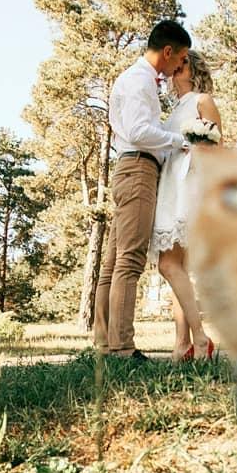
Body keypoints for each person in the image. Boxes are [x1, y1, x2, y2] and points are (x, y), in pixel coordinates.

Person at [93, 20, 191, 360]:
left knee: (113, 262)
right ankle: (122, 348)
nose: (181, 66)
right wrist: (180, 141)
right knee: (129, 260)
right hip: (137, 169)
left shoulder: (141, 80)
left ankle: (105, 343)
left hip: (130, 167)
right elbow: (137, 131)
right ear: (168, 51)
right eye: (181, 58)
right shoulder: (138, 81)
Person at [150, 49, 222, 362]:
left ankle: (201, 338)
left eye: (183, 64)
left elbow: (216, 149)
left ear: (192, 69)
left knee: (168, 265)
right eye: (175, 64)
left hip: (189, 186)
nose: (176, 69)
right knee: (177, 267)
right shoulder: (173, 109)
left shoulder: (202, 101)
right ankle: (182, 345)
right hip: (169, 185)